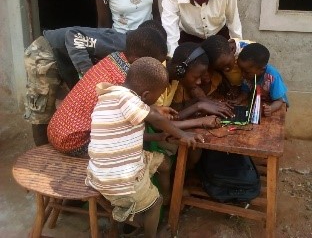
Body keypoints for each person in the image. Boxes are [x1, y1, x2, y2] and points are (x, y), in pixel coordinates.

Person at [86, 57, 204, 238]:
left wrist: (159, 136)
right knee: (153, 205)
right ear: (145, 95)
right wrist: (183, 135)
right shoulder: (127, 99)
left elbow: (127, 135)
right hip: (122, 179)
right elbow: (156, 119)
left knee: (164, 163)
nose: (157, 104)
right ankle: (153, 228)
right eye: (156, 98)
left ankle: (164, 199)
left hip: (99, 174)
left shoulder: (109, 98)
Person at [24, 21, 165, 146]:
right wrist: (87, 73)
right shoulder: (116, 45)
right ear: (139, 57)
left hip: (66, 59)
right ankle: (42, 153)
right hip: (45, 53)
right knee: (41, 112)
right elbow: (73, 35)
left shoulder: (129, 53)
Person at [233, 43, 289, 116]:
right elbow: (245, 92)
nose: (242, 74)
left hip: (274, 105)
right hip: (259, 104)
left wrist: (271, 109)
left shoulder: (272, 77)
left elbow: (279, 101)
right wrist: (239, 99)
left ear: (261, 70)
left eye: (246, 72)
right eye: (241, 70)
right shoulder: (247, 74)